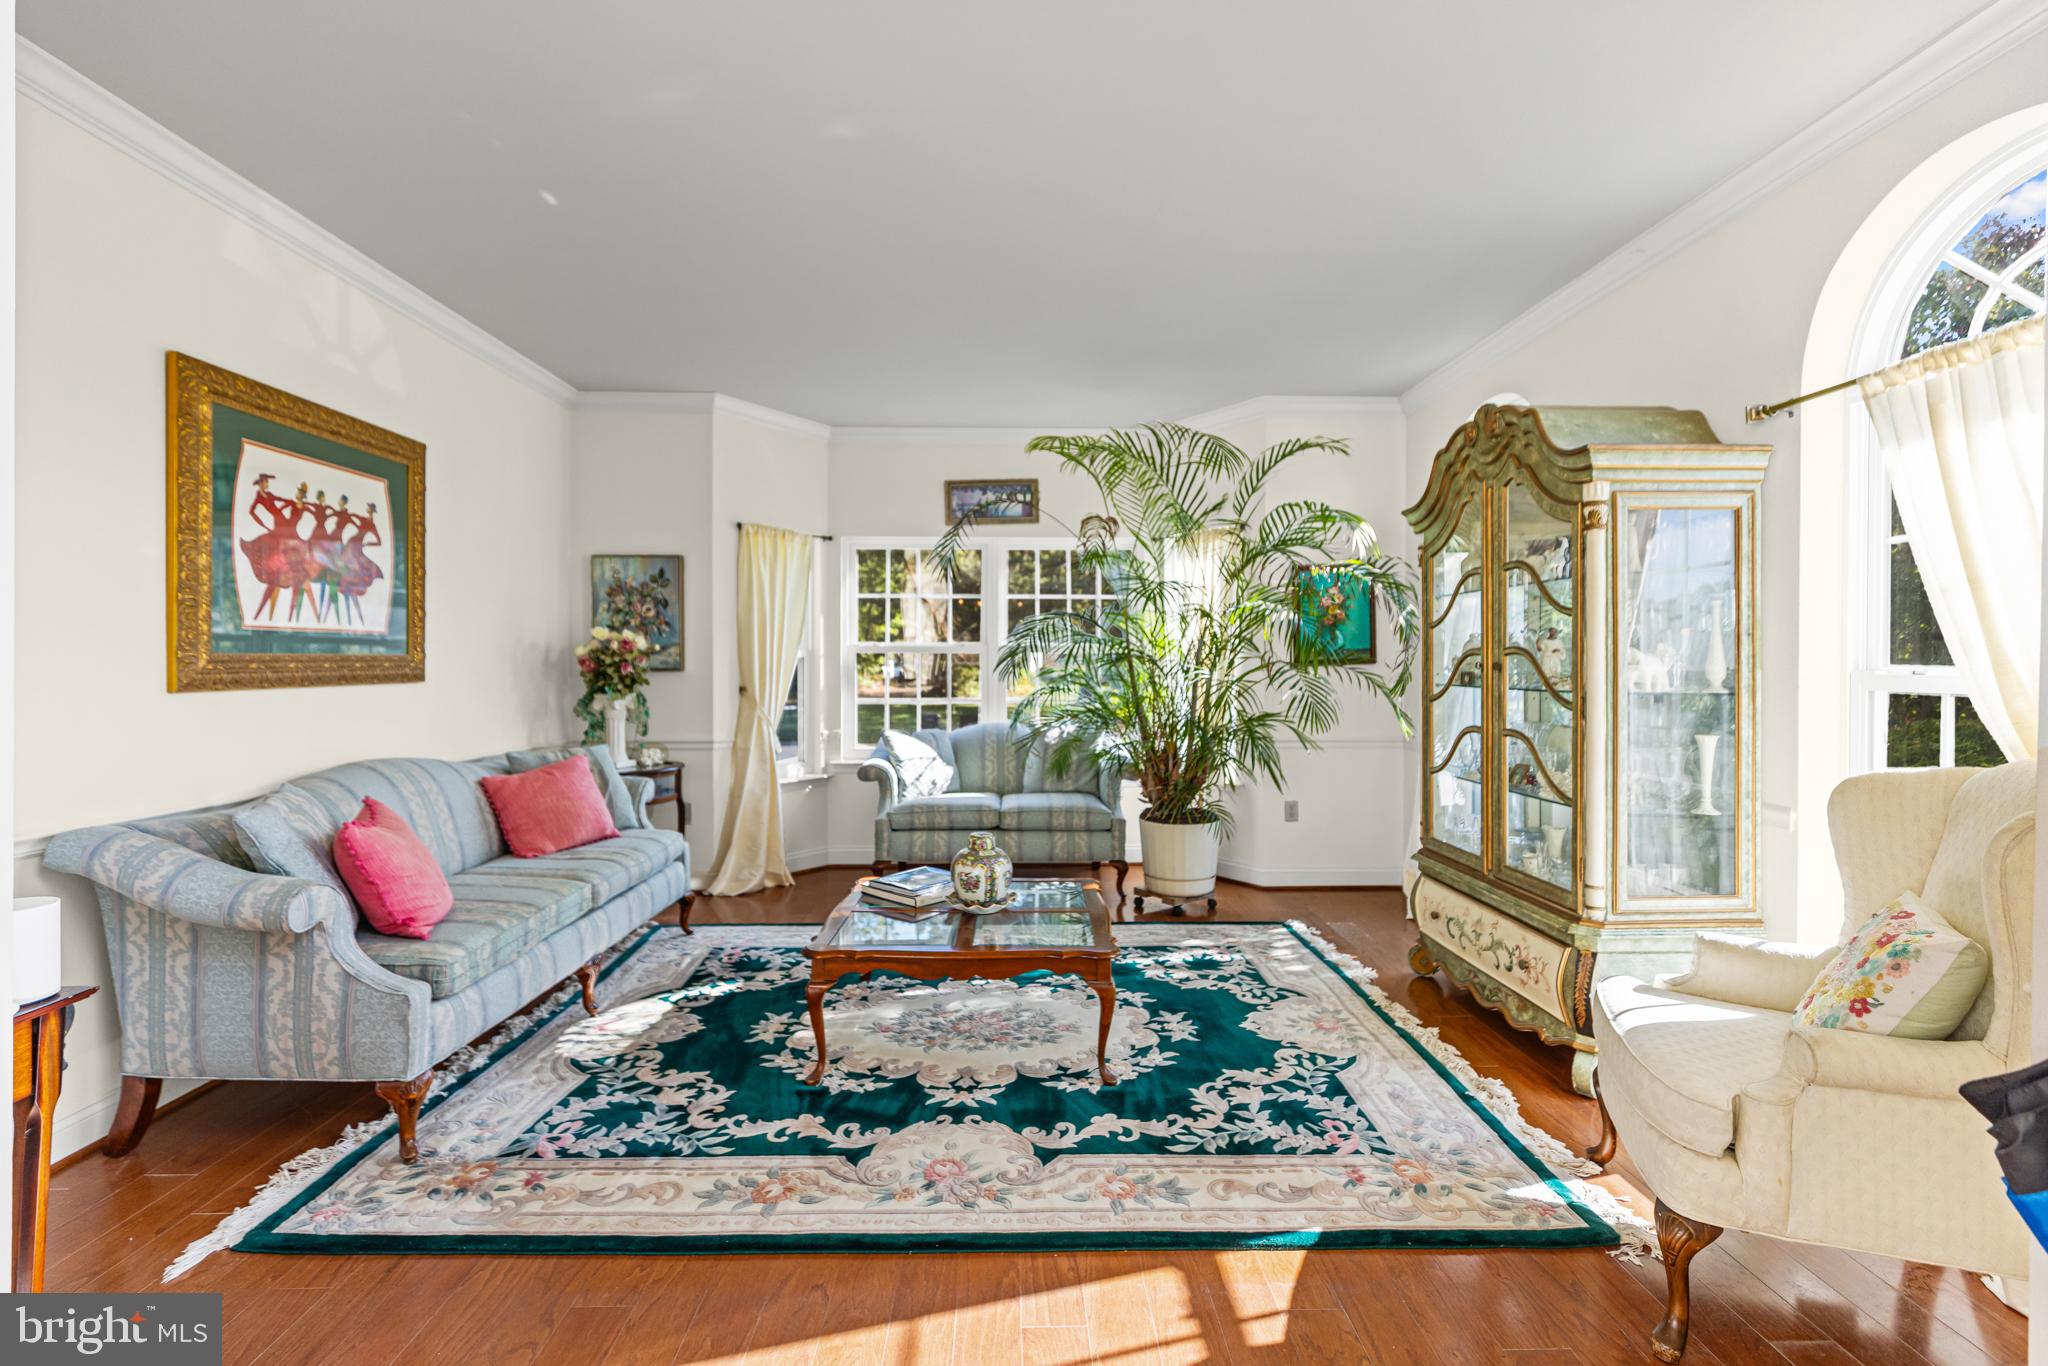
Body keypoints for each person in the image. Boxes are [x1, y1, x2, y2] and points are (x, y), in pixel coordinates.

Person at [239, 474, 313, 623]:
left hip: (282, 523)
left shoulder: (271, 495)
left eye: (267, 482)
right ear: (261, 483)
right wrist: (261, 523)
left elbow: (281, 500)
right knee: (271, 546)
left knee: (283, 547)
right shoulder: (258, 497)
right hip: (278, 521)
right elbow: (252, 511)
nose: (267, 484)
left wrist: (288, 503)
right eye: (266, 482)